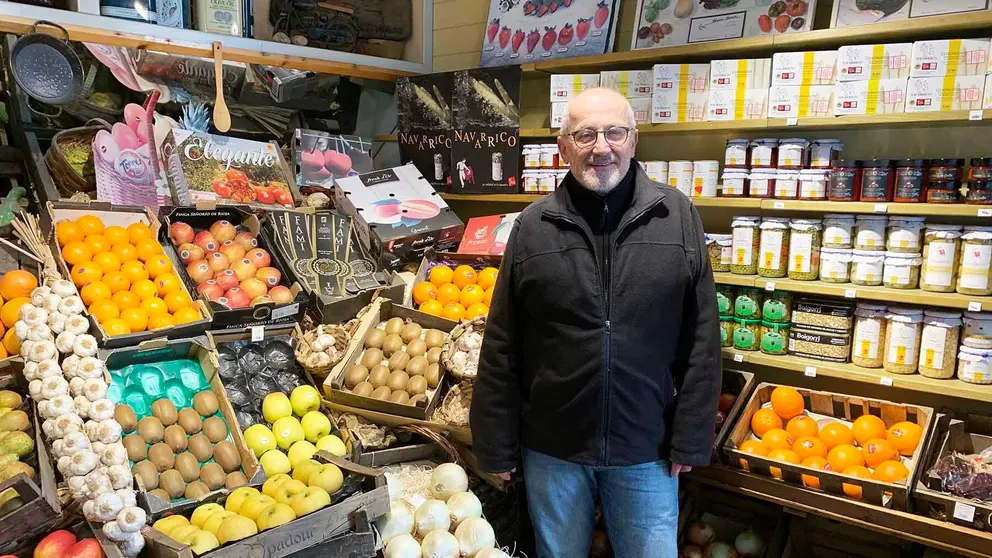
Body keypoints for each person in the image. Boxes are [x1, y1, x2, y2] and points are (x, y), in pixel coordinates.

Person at [470, 87, 721, 558]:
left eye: (614, 132)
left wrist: (692, 436)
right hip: (552, 450)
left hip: (647, 447)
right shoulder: (532, 227)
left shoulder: (677, 216)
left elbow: (703, 338)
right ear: (563, 147)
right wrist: (495, 444)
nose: (601, 146)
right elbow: (503, 343)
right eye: (584, 134)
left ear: (633, 140)